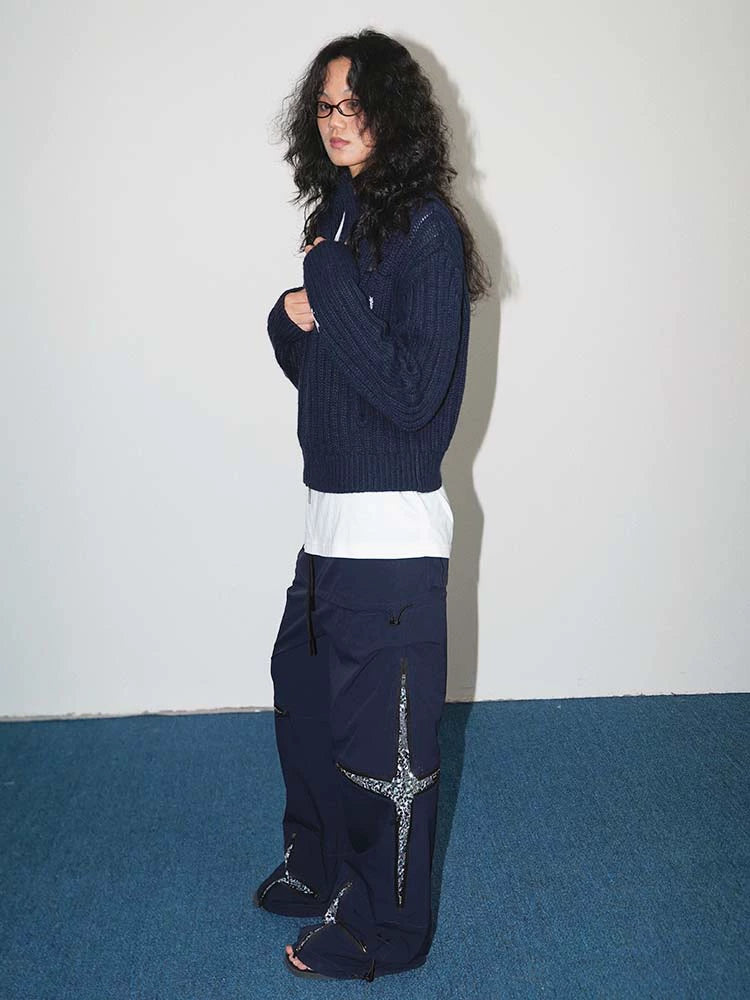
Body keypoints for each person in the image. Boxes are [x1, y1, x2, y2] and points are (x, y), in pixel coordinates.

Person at [254, 28, 490, 982]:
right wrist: (287, 319)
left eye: (354, 103)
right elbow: (333, 376)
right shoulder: (343, 218)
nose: (337, 120)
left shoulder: (427, 230)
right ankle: (319, 865)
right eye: (325, 105)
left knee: (381, 749)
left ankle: (385, 931)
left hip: (389, 539)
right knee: (305, 703)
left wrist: (326, 281)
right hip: (326, 527)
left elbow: (411, 396)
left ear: (394, 111)